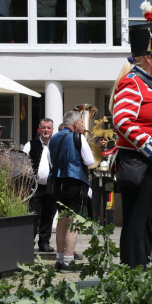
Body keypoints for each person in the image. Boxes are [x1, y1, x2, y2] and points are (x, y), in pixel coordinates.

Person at [111, 21, 152, 268]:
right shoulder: (132, 83)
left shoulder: (151, 85)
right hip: (140, 163)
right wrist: (150, 147)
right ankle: (133, 270)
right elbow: (121, 119)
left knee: (149, 221)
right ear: (148, 57)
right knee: (137, 223)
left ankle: (142, 265)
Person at [48, 110, 94, 272]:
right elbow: (89, 160)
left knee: (62, 221)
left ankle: (59, 260)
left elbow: (50, 161)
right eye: (81, 122)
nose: (82, 124)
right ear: (75, 123)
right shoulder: (78, 137)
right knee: (73, 222)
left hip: (58, 182)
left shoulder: (53, 138)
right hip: (75, 181)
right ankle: (68, 260)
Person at [23, 118, 56, 253]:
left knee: (48, 216)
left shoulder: (57, 145)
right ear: (39, 129)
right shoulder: (30, 145)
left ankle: (44, 243)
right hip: (34, 187)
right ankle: (28, 242)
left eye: (49, 128)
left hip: (51, 186)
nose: (46, 130)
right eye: (44, 128)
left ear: (52, 130)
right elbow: (23, 165)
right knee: (33, 216)